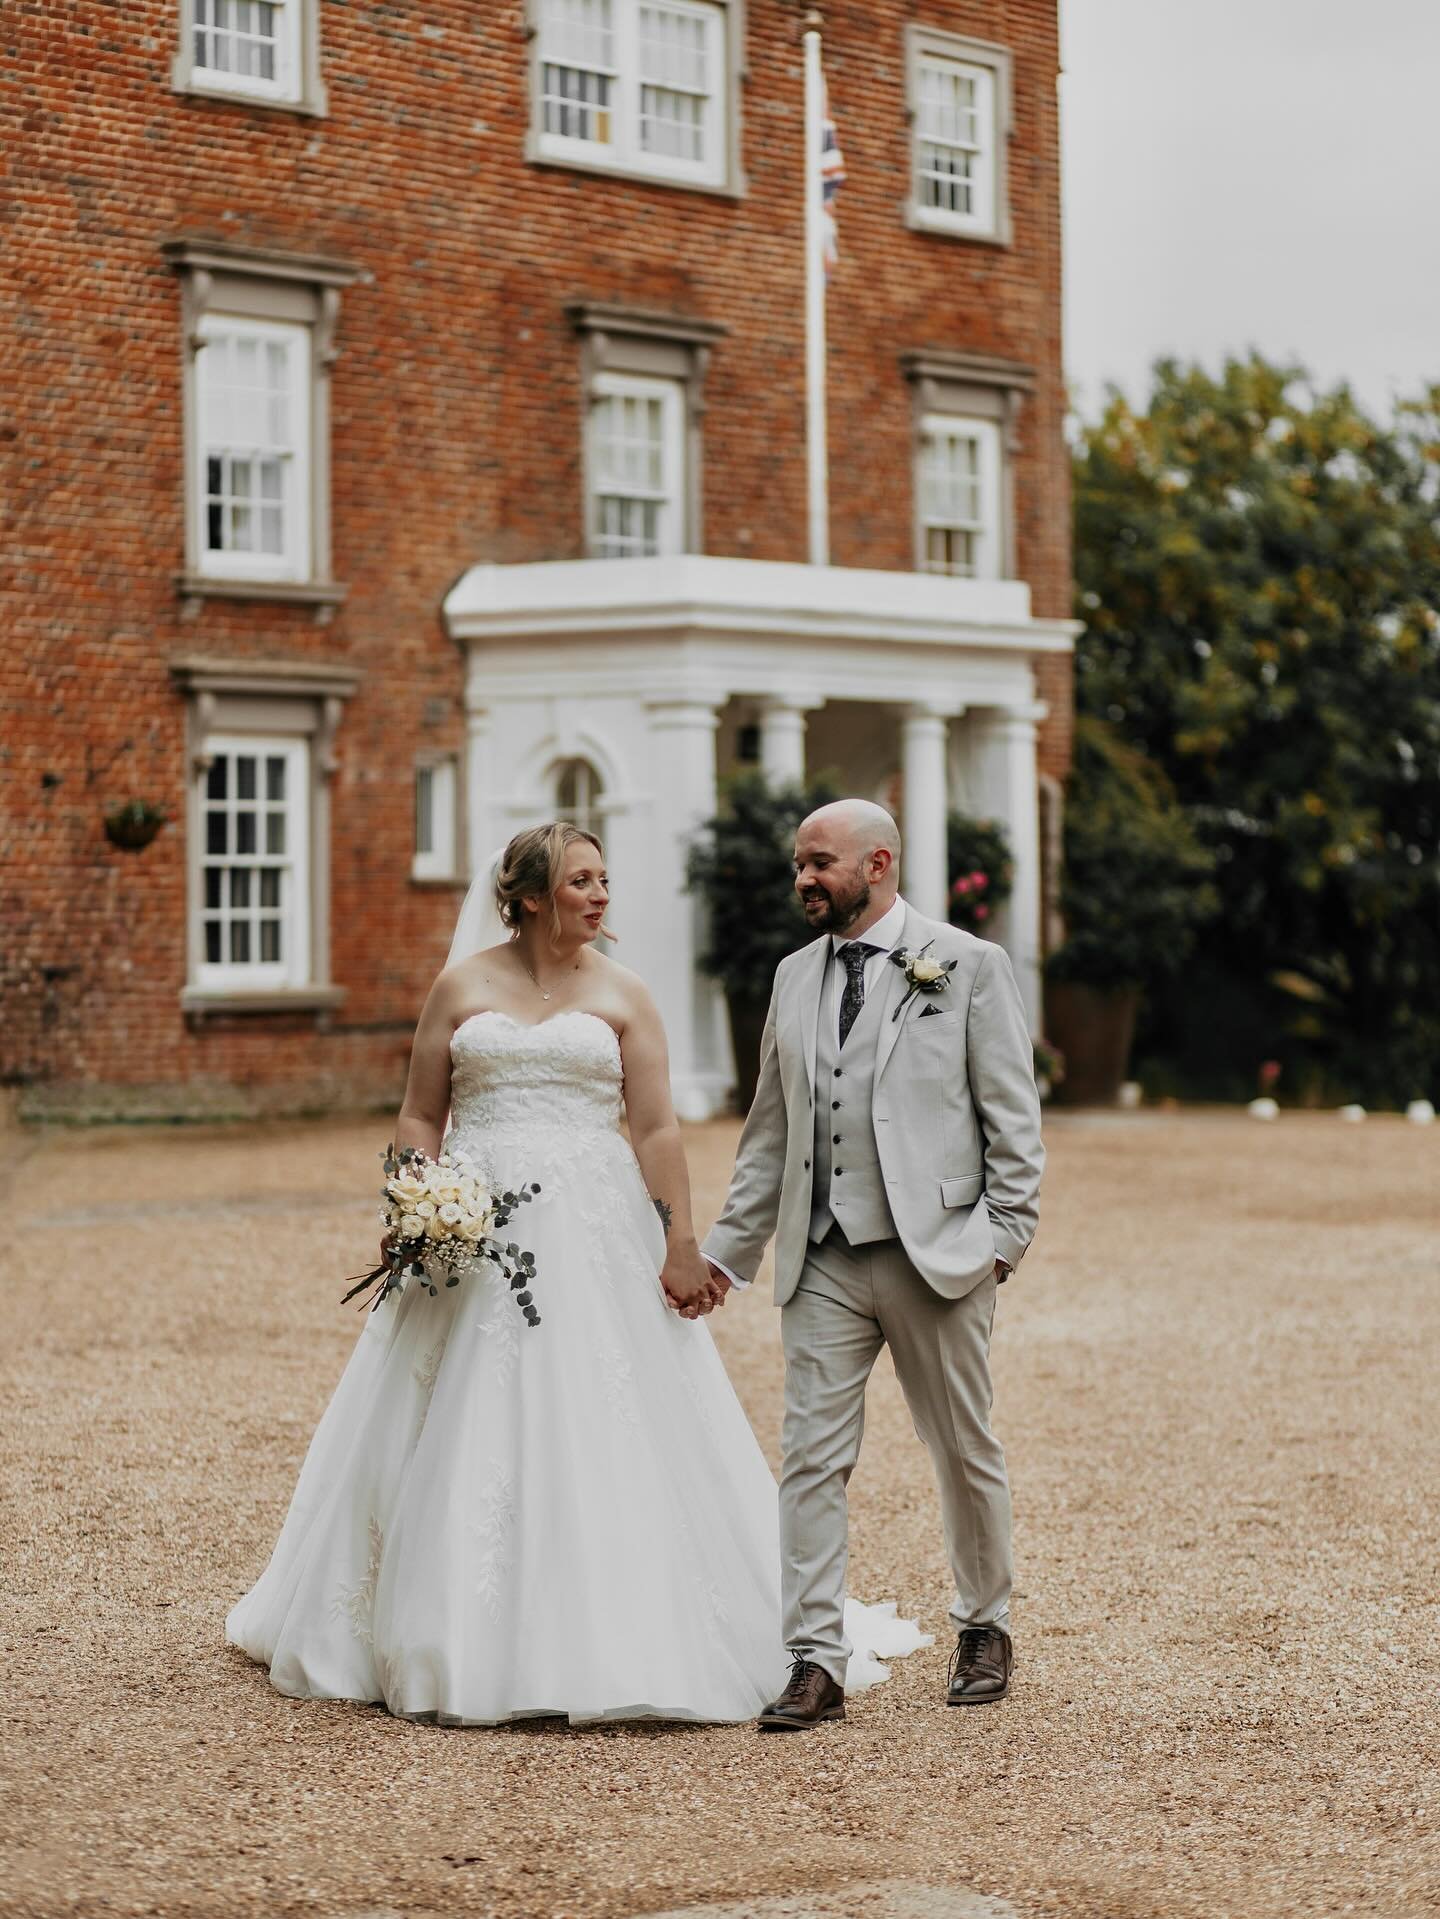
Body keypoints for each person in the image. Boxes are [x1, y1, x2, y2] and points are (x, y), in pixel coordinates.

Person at [226, 822, 923, 1725]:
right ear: (525, 896)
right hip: (472, 1240)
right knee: (445, 1411)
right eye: (580, 881)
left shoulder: (626, 993)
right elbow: (418, 1113)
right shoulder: (461, 985)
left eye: (604, 879)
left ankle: (618, 1628)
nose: (600, 895)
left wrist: (679, 1243)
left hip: (597, 1233)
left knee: (607, 1410)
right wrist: (414, 1206)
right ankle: (430, 1627)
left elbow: (658, 1129)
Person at [702, 799, 1044, 1731]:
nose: (803, 878)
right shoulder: (790, 976)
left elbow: (1014, 1120)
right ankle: (814, 1656)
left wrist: (1000, 1242)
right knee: (810, 1461)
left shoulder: (968, 965)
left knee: (963, 1446)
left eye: (820, 863)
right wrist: (724, 1260)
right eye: (799, 865)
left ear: (878, 864)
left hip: (939, 1256)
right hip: (823, 1259)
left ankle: (984, 1623)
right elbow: (768, 1133)